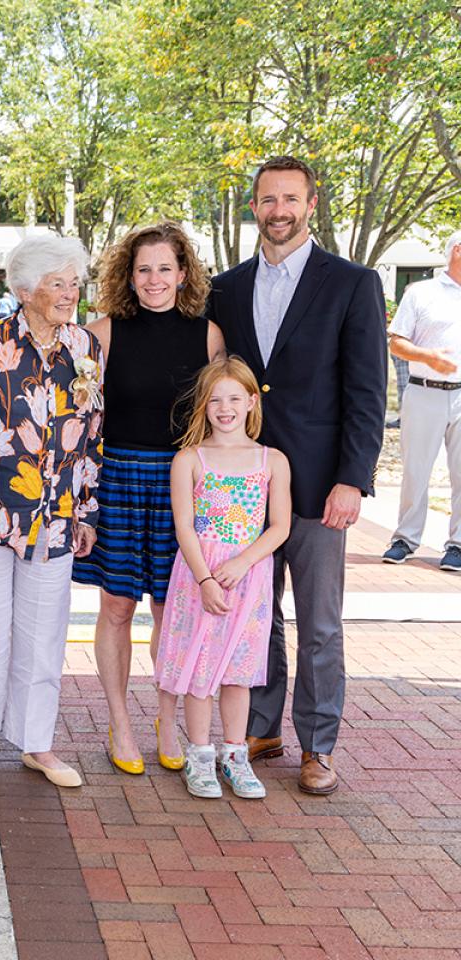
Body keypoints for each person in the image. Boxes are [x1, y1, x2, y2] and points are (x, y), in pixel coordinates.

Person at [208, 156, 386, 795]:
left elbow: (367, 390)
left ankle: (318, 745)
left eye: (290, 199)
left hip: (317, 484)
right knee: (257, 615)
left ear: (312, 204)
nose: (278, 210)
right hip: (242, 486)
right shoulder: (226, 288)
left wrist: (353, 478)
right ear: (252, 207)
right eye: (266, 199)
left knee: (319, 622)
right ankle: (260, 726)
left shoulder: (352, 282)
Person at [0, 235, 102, 790]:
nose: (68, 293)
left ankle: (37, 743)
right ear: (23, 290)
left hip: (56, 516)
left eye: (73, 282)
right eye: (57, 283)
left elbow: (91, 436)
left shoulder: (86, 347)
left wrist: (86, 510)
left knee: (42, 634)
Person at [73, 222, 225, 776]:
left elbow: (220, 415)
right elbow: (78, 421)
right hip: (116, 478)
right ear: (128, 276)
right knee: (116, 606)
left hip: (180, 481)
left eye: (165, 268)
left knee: (171, 606)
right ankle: (119, 722)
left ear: (183, 274)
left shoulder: (208, 335)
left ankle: (166, 717)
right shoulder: (101, 333)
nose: (154, 279)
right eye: (143, 270)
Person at [155, 358, 291, 799]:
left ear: (252, 401)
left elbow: (279, 526)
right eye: (215, 400)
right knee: (200, 665)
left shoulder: (272, 460)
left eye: (234, 398)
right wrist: (206, 579)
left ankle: (235, 755)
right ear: (204, 406)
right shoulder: (189, 459)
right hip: (201, 577)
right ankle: (199, 755)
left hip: (248, 577)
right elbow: (185, 527)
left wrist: (242, 563)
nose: (225, 408)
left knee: (237, 671)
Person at [381, 231, 461, 572]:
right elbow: (396, 342)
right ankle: (405, 539)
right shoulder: (422, 292)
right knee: (415, 471)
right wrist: (429, 357)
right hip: (424, 390)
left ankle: (457, 545)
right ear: (458, 250)